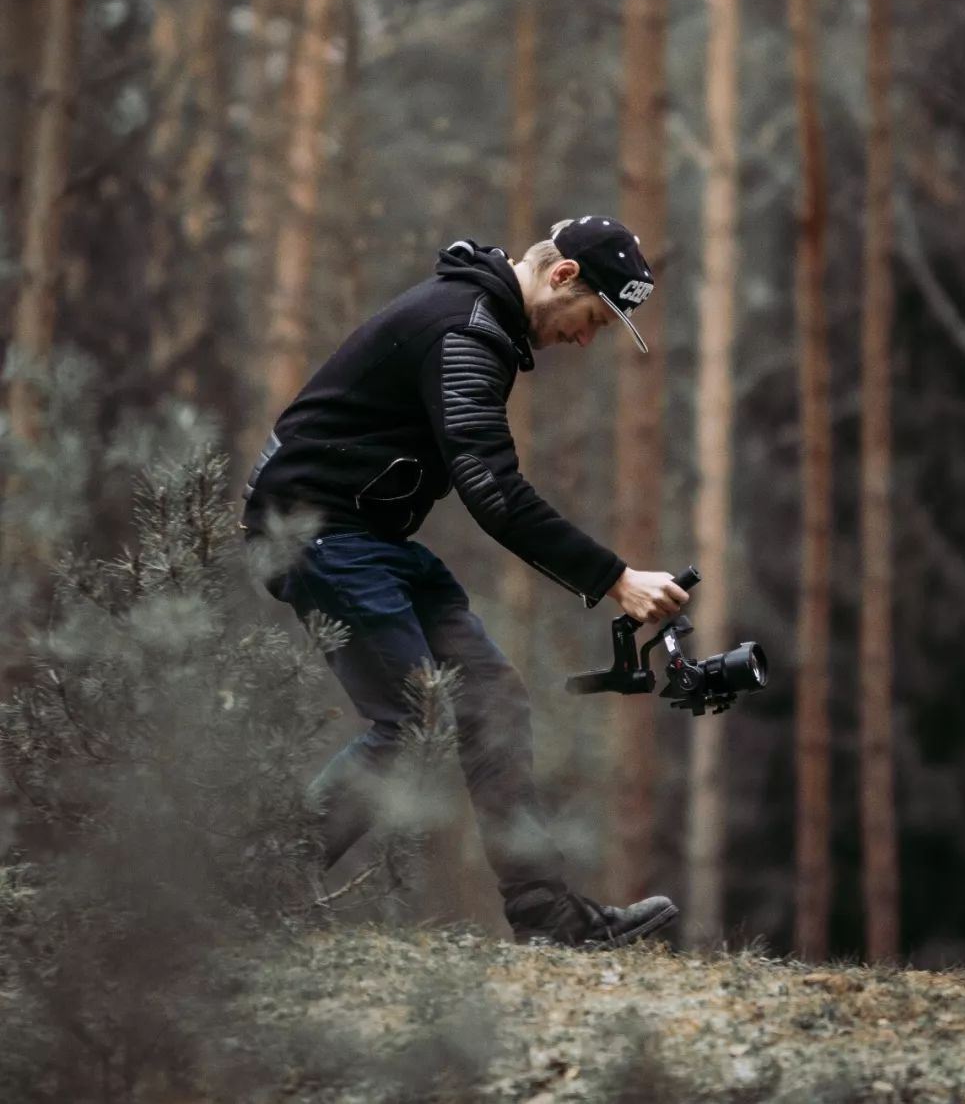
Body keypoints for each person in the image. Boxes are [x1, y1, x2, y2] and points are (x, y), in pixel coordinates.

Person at [240, 215, 689, 949]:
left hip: (370, 537)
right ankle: (247, 890)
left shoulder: (479, 322)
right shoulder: (465, 333)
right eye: (595, 319)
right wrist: (616, 578)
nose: (586, 338)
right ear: (563, 276)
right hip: (313, 533)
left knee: (492, 699)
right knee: (413, 717)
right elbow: (494, 491)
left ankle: (549, 917)